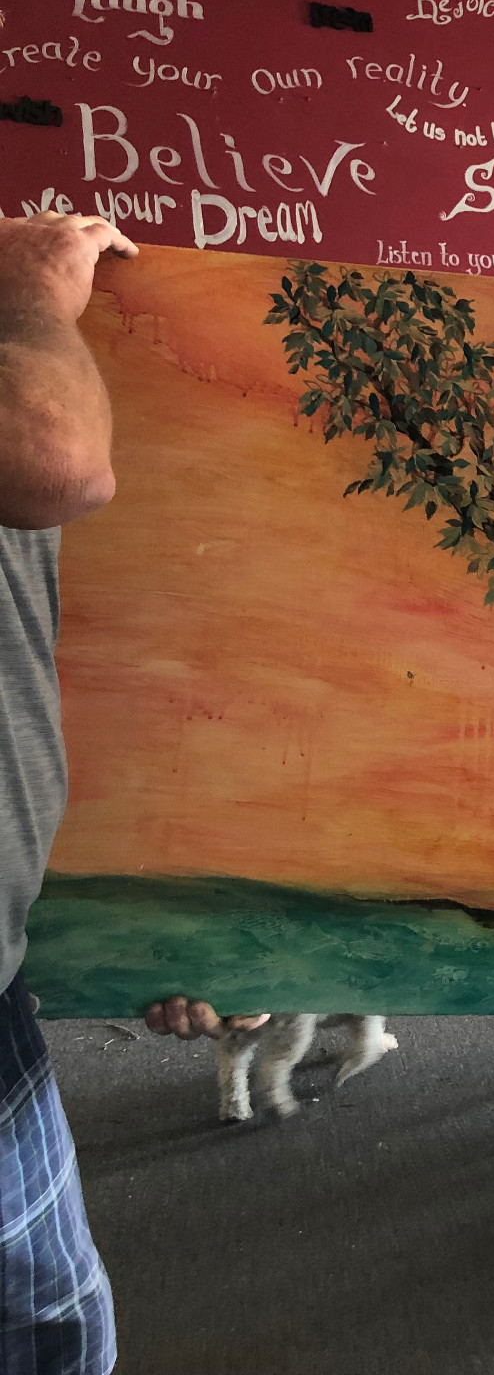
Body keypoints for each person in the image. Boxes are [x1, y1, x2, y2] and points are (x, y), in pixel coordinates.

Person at [0, 212, 265, 1375]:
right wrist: (25, 296)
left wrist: (159, 932)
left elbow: (83, 667)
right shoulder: (28, 330)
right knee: (50, 1338)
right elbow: (53, 456)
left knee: (53, 1330)